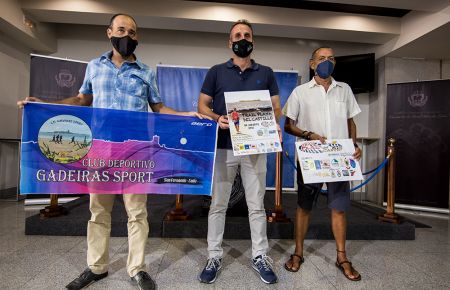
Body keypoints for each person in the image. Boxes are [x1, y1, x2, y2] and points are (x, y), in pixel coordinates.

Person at [18, 13, 208, 290]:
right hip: (100, 150)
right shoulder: (95, 67)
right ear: (109, 32)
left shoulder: (145, 72)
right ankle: (96, 267)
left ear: (137, 37)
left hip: (136, 153)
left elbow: (159, 107)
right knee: (98, 213)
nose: (127, 36)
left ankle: (137, 268)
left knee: (137, 213)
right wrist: (43, 103)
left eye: (132, 32)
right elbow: (82, 99)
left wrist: (185, 114)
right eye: (121, 30)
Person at [197, 19, 281, 285]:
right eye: (237, 35)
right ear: (229, 42)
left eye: (246, 34)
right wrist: (216, 118)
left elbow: (276, 107)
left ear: (252, 40)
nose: (242, 38)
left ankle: (260, 256)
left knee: (256, 205)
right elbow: (202, 104)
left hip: (256, 147)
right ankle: (213, 256)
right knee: (218, 204)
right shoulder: (216, 71)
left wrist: (273, 124)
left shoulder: (265, 72)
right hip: (224, 146)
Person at [282, 47, 362, 281]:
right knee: (304, 206)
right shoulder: (300, 92)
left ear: (335, 63)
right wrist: (308, 134)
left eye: (331, 58)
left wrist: (354, 146)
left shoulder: (344, 89)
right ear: (312, 64)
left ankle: (342, 256)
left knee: (339, 208)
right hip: (311, 158)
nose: (326, 62)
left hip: (339, 159)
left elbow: (351, 122)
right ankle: (298, 253)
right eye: (321, 59)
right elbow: (288, 125)